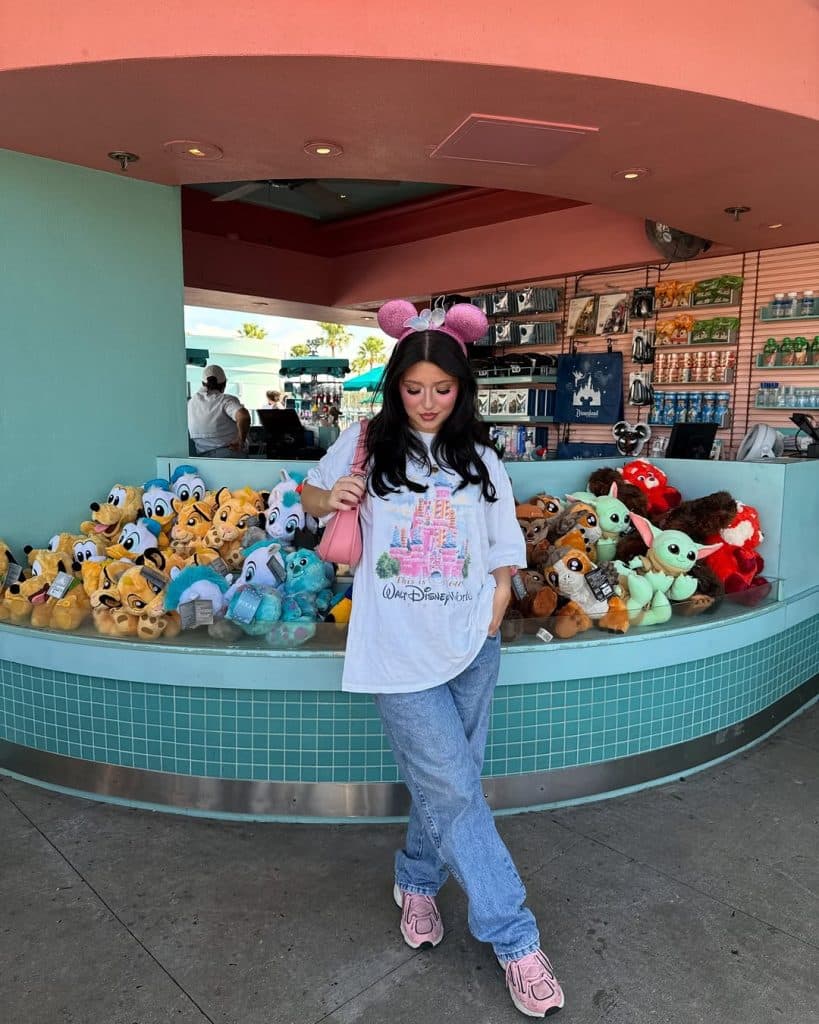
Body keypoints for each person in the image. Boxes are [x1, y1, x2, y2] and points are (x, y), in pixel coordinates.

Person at [301, 300, 565, 1018]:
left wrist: (499, 601)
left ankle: (417, 880)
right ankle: (515, 939)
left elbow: (502, 539)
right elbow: (301, 498)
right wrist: (333, 493)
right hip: (396, 651)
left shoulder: (478, 456)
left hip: (471, 643)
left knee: (453, 784)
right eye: (412, 389)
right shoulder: (363, 442)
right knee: (452, 788)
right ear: (395, 388)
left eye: (440, 390)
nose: (425, 403)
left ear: (461, 390)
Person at [187, 365, 250, 457]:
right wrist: (241, 439)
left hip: (203, 458)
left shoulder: (190, 403)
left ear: (203, 383)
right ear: (224, 384)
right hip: (230, 455)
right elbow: (244, 416)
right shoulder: (226, 400)